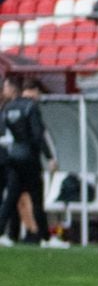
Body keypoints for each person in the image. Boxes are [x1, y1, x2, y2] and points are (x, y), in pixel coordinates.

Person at [0, 73, 53, 246]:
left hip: (13, 158)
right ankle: (44, 237)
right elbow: (38, 135)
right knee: (37, 198)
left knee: (11, 198)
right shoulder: (31, 107)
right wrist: (49, 157)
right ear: (32, 90)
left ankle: (4, 234)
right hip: (29, 158)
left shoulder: (8, 108)